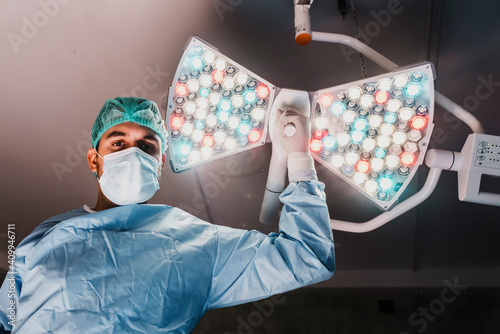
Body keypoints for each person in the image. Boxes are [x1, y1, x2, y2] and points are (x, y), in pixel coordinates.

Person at [0, 97, 335, 333]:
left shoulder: (198, 244)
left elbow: (305, 256)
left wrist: (299, 160)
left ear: (160, 165)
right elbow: (6, 316)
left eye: (147, 146)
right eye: (118, 143)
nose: (133, 153)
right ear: (93, 160)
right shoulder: (46, 236)